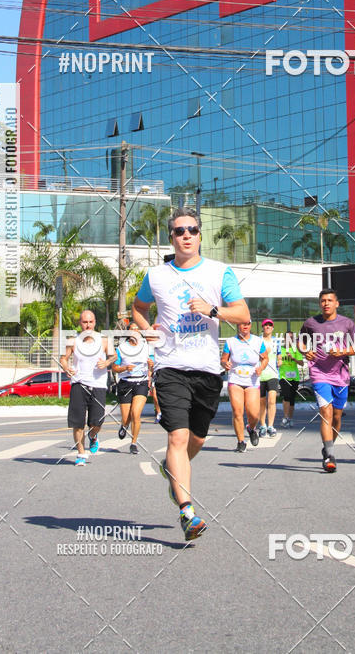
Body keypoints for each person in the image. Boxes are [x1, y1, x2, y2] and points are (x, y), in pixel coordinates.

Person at [132, 207, 250, 541]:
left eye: (192, 230)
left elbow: (242, 314)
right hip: (170, 366)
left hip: (208, 369)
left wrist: (212, 309)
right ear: (171, 237)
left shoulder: (219, 272)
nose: (186, 235)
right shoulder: (156, 276)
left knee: (197, 438)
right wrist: (146, 330)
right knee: (177, 437)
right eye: (179, 230)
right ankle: (187, 511)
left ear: (200, 236)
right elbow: (138, 309)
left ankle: (173, 471)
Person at [299, 289, 355, 472]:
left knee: (337, 416)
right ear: (320, 303)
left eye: (330, 300)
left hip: (340, 375)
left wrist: (343, 352)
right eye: (323, 300)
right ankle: (330, 456)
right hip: (319, 373)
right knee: (326, 412)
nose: (326, 303)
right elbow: (300, 341)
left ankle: (327, 447)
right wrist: (304, 351)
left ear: (337, 303)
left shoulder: (347, 323)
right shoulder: (311, 323)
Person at [59, 310, 115, 465]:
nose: (88, 325)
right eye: (85, 322)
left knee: (97, 422)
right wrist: (66, 368)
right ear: (80, 323)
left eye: (90, 322)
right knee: (77, 423)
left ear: (95, 322)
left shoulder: (103, 340)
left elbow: (114, 356)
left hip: (98, 385)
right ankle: (81, 454)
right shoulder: (73, 340)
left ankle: (93, 435)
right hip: (79, 383)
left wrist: (106, 363)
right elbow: (63, 358)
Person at [221, 320, 268, 451]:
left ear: (251, 325)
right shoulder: (230, 341)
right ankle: (241, 442)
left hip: (252, 381)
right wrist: (225, 364)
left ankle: (251, 428)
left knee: (254, 414)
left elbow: (265, 358)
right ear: (237, 325)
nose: (245, 326)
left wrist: (261, 368)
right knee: (237, 412)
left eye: (247, 323)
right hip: (235, 379)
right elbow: (223, 359)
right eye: (242, 323)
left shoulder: (258, 341)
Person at [112, 322, 152, 454]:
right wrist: (125, 368)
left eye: (137, 329)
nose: (135, 331)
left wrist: (151, 365)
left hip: (141, 382)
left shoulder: (146, 346)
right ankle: (124, 425)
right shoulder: (122, 348)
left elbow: (153, 365)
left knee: (136, 413)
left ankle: (134, 443)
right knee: (126, 417)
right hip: (125, 383)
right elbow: (115, 368)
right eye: (132, 329)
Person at [258, 318, 280, 437]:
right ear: (263, 327)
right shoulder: (257, 341)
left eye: (269, 325)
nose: (267, 327)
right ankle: (262, 426)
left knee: (272, 401)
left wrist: (280, 360)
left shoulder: (276, 341)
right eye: (265, 325)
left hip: (273, 375)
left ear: (272, 328)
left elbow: (279, 355)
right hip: (260, 375)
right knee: (262, 403)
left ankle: (271, 426)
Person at [279, 332, 303, 427]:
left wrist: (293, 358)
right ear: (284, 338)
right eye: (288, 337)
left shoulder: (295, 349)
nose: (290, 339)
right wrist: (279, 362)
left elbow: (301, 363)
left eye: (292, 337)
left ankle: (290, 418)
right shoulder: (280, 349)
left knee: (292, 398)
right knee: (286, 396)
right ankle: (285, 417)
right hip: (284, 377)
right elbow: (278, 361)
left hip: (294, 377)